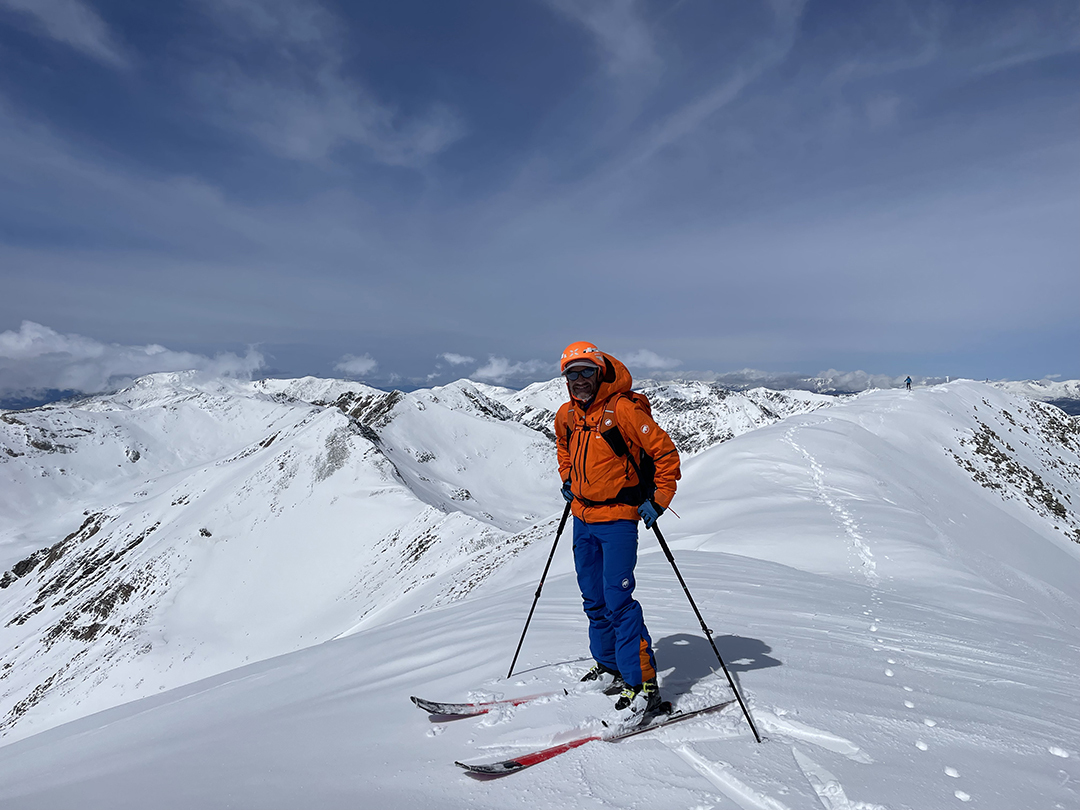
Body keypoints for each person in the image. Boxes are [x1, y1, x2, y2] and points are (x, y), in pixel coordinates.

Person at [554, 341, 681, 717]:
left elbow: (665, 453)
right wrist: (567, 478)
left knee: (619, 602)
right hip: (582, 517)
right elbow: (563, 448)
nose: (579, 380)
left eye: (586, 372)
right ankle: (609, 666)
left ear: (600, 372)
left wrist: (659, 499)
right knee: (593, 600)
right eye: (571, 374)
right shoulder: (567, 415)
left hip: (619, 519)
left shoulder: (622, 409)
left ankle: (642, 684)